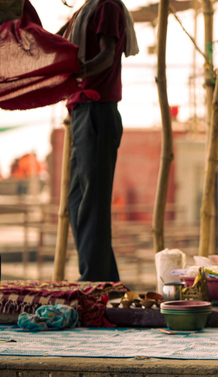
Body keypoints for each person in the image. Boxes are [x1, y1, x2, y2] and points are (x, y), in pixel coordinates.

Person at [62, 0, 137, 282]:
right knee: (78, 201)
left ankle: (94, 279)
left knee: (92, 202)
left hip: (97, 110)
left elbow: (106, 55)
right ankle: (106, 279)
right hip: (83, 111)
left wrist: (78, 71)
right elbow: (56, 42)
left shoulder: (107, 6)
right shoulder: (84, 11)